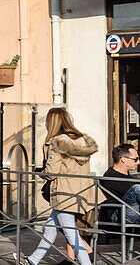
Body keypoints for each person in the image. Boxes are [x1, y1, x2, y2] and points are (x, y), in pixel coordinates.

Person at [25, 107, 98, 265]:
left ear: (52, 122)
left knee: (72, 234)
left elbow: (52, 172)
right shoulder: (81, 140)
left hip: (64, 193)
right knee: (50, 228)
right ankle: (32, 260)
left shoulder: (57, 142)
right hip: (80, 191)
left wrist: (40, 171)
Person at [100, 144, 140, 225]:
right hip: (118, 216)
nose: (138, 162)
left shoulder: (129, 177)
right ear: (124, 159)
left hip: (133, 213)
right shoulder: (110, 177)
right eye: (135, 159)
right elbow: (131, 189)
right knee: (136, 188)